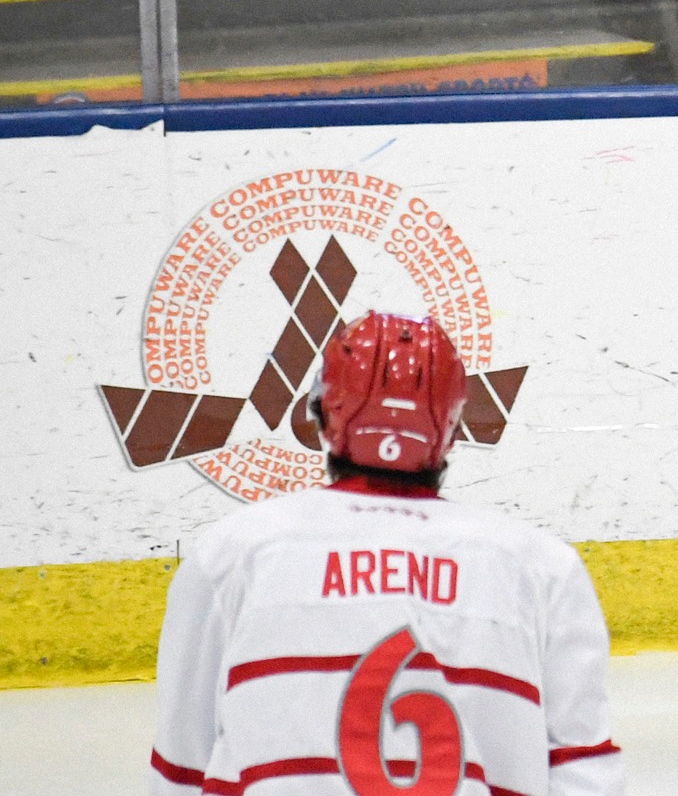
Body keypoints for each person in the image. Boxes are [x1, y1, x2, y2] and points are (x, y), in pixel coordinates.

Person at [149, 313, 624, 796]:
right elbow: (585, 773)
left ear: (324, 413)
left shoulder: (229, 554)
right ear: (451, 425)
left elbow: (181, 771)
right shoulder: (545, 568)